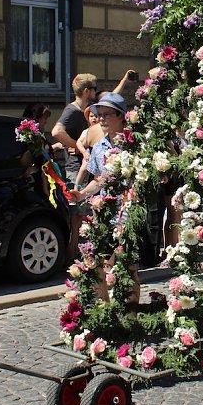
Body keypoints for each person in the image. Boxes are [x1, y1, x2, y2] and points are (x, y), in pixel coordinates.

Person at [70, 92, 141, 302]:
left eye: (106, 115)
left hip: (128, 213)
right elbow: (99, 180)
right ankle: (106, 312)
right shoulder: (99, 146)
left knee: (127, 267)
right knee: (97, 264)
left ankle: (130, 317)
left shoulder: (134, 146)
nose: (101, 119)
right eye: (99, 114)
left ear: (121, 116)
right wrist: (82, 193)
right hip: (104, 214)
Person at [52, 73, 98, 184]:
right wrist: (76, 145)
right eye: (94, 89)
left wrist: (124, 80)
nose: (96, 92)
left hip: (86, 165)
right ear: (86, 91)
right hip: (76, 167)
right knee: (77, 199)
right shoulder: (72, 110)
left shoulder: (86, 109)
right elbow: (56, 132)